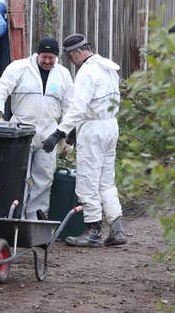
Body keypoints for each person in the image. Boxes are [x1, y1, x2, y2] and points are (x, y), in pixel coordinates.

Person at [41, 33, 126, 247]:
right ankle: (116, 229)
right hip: (111, 125)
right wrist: (72, 133)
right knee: (106, 180)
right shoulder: (108, 67)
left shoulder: (87, 72)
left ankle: (93, 231)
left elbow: (77, 109)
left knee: (87, 180)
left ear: (78, 53)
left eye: (71, 57)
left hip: (94, 129)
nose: (71, 61)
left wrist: (59, 133)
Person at [0, 37, 73, 220]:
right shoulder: (19, 68)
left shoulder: (63, 74)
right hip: (21, 130)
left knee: (44, 178)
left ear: (57, 56)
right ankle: (13, 218)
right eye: (44, 56)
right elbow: (0, 90)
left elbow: (70, 105)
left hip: (49, 134)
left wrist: (66, 132)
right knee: (18, 177)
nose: (47, 61)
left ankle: (34, 220)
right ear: (37, 54)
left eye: (51, 57)